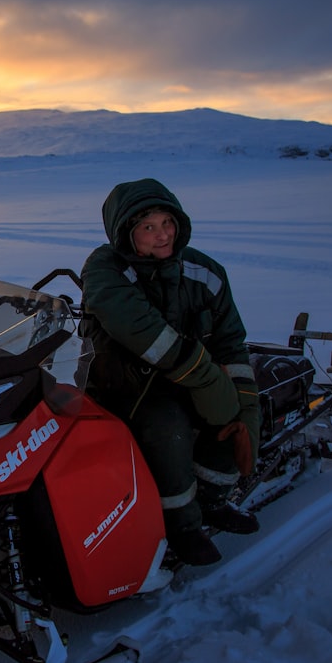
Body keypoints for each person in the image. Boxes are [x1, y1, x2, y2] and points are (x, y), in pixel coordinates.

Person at [80, 178, 261, 565]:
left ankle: (212, 500)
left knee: (231, 419)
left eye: (168, 223)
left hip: (188, 379)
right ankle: (180, 526)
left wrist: (245, 402)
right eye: (148, 227)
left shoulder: (205, 273)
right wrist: (207, 377)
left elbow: (231, 342)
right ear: (125, 233)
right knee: (168, 429)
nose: (162, 236)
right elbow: (141, 330)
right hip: (125, 386)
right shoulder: (105, 269)